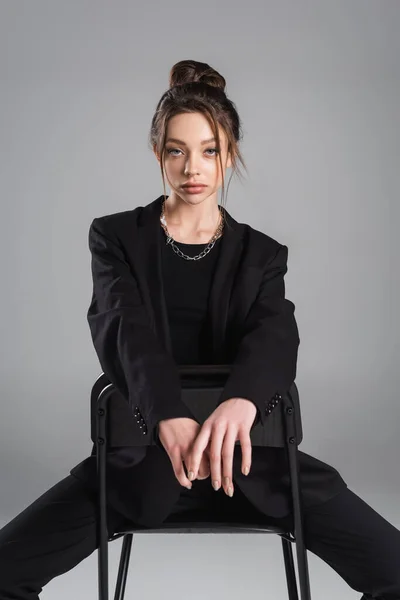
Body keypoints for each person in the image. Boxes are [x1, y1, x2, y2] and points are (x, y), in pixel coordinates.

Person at [0, 59, 399, 600]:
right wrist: (167, 413)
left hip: (256, 469)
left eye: (209, 150)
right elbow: (122, 327)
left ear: (229, 153)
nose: (194, 167)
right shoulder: (117, 237)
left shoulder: (262, 254)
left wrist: (242, 402)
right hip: (142, 465)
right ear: (158, 154)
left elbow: (276, 333)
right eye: (176, 150)